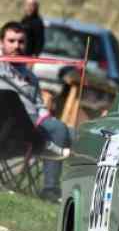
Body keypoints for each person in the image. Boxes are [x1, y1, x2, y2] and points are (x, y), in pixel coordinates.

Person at [0, 21, 70, 202]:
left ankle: (52, 190)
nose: (17, 46)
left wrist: (45, 116)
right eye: (11, 41)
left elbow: (39, 106)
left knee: (67, 131)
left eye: (21, 42)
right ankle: (43, 144)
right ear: (1, 43)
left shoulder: (30, 76)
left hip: (34, 124)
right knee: (10, 97)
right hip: (7, 125)